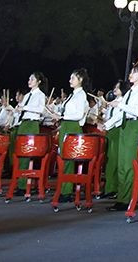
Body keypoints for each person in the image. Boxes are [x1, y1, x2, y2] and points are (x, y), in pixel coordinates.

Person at [109, 63, 138, 210]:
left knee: (128, 164)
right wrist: (108, 124)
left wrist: (119, 105)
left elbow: (136, 111)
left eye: (134, 72)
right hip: (125, 125)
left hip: (134, 126)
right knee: (122, 164)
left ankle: (127, 199)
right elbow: (122, 112)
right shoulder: (130, 91)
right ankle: (122, 197)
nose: (130, 75)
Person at [53, 69, 91, 200]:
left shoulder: (81, 95)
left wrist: (62, 116)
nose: (70, 80)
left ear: (80, 80)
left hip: (72, 126)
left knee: (68, 159)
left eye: (73, 78)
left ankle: (67, 191)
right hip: (66, 125)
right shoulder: (72, 95)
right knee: (63, 158)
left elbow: (79, 115)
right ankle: (64, 189)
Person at [11, 74, 47, 196]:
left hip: (32, 124)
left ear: (39, 81)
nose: (29, 81)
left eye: (32, 79)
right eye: (29, 78)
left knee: (28, 154)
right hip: (23, 123)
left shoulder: (40, 95)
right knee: (20, 154)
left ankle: (23, 185)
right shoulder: (27, 95)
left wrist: (25, 107)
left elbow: (40, 109)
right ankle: (19, 182)